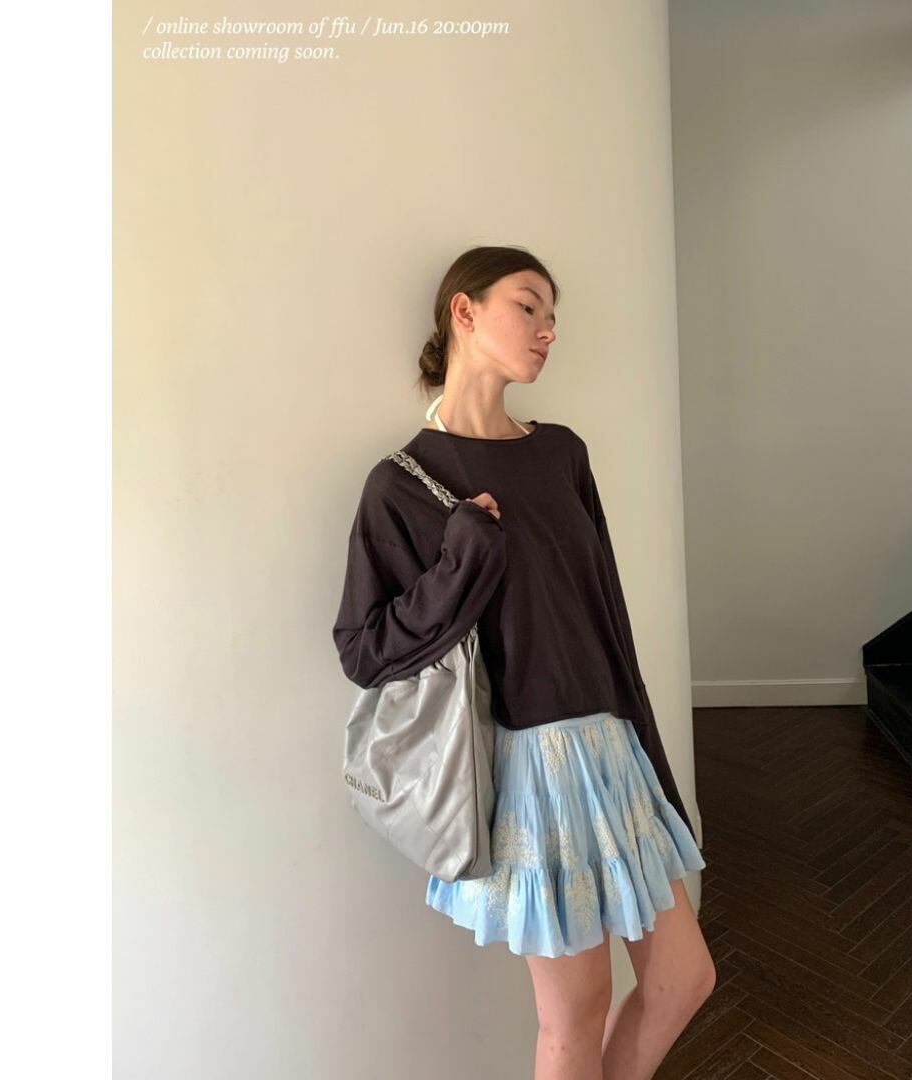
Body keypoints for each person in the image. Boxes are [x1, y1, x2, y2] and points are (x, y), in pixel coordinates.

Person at [332, 245, 716, 1080]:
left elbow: (608, 614)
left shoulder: (562, 453)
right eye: (529, 306)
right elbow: (364, 650)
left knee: (683, 979)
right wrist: (461, 557)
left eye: (552, 316)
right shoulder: (402, 485)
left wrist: (652, 757)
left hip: (612, 748)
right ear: (464, 311)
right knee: (573, 1016)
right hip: (528, 766)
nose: (547, 330)